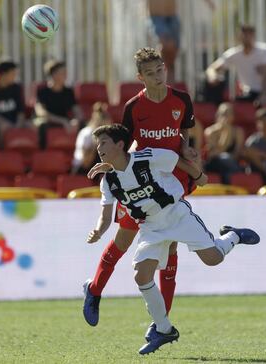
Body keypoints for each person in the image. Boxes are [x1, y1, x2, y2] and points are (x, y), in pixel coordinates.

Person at [86, 124, 260, 355]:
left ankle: (233, 235)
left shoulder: (145, 158)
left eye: (103, 142)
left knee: (213, 259)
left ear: (120, 145)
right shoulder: (108, 181)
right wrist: (98, 231)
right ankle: (164, 329)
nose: (99, 148)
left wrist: (198, 175)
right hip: (150, 226)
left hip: (175, 214)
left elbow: (173, 158)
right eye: (97, 144)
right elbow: (106, 216)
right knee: (141, 274)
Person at [82, 47, 198, 336]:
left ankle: (162, 320)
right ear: (140, 77)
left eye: (160, 69)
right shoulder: (135, 107)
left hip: (173, 179)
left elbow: (184, 133)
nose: (158, 76)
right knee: (124, 237)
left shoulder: (181, 99)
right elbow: (124, 144)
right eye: (150, 73)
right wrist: (115, 170)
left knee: (170, 244)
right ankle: (94, 290)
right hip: (141, 180)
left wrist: (187, 149)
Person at [206, 24, 266, 106]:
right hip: (250, 92)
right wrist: (213, 77)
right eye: (244, 34)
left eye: (249, 34)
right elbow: (212, 68)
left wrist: (264, 94)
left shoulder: (263, 50)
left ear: (253, 36)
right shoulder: (234, 54)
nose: (246, 37)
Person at [34, 60, 82, 149]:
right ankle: (42, 153)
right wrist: (62, 121)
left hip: (65, 121)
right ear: (53, 75)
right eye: (62, 73)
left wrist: (76, 120)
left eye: (65, 73)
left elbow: (77, 110)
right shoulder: (42, 91)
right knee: (41, 125)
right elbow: (41, 112)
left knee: (84, 125)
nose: (65, 76)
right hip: (50, 121)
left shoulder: (68, 91)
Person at [204, 102, 244, 184]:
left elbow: (237, 153)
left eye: (229, 113)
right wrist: (225, 133)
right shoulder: (211, 131)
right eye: (224, 114)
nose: (226, 117)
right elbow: (214, 154)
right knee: (225, 157)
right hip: (214, 163)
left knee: (228, 163)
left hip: (232, 162)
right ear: (218, 115)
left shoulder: (238, 131)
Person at [72, 102, 112, 175]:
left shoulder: (108, 135)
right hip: (81, 170)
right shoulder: (87, 133)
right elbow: (85, 162)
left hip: (98, 169)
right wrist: (96, 144)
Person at [148, 0, 180, 84]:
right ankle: (157, 73)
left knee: (172, 55)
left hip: (172, 17)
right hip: (157, 17)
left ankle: (170, 86)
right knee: (165, 45)